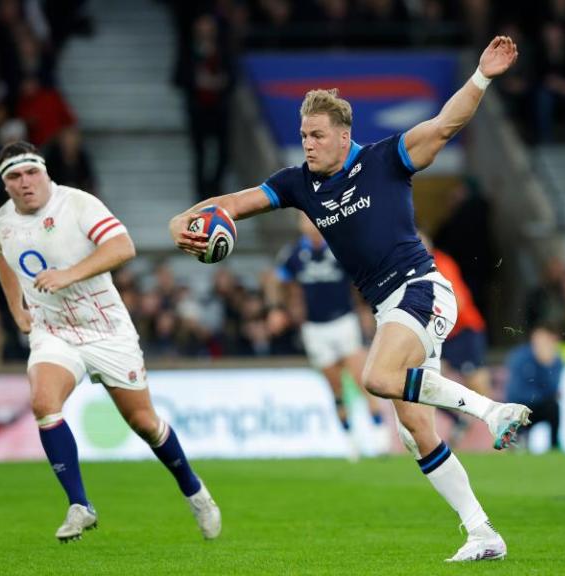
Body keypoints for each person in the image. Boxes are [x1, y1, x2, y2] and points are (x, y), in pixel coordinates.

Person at [169, 36, 531, 562]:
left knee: (376, 378)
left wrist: (481, 77)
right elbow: (234, 202)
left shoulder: (387, 159)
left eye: (316, 135)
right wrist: (185, 218)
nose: (307, 143)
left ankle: (491, 410)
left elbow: (445, 126)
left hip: (422, 289)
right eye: (302, 135)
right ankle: (482, 533)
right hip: (390, 308)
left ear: (344, 136)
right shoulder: (297, 184)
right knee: (414, 429)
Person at [0, 141, 221, 542]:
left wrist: (70, 274)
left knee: (144, 423)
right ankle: (80, 505)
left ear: (45, 172)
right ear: (5, 185)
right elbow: (0, 254)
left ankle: (194, 490)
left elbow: (122, 247)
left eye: (32, 172)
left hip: (106, 329)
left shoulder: (77, 204)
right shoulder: (3, 221)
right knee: (44, 403)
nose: (25, 182)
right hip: (54, 331)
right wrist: (16, 307)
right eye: (14, 176)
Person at [274, 213, 389, 459]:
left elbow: (358, 282)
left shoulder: (340, 247)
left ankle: (380, 433)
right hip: (314, 329)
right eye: (305, 220)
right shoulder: (293, 254)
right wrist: (283, 309)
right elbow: (280, 281)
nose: (309, 225)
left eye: (312, 220)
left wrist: (365, 311)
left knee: (362, 379)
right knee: (335, 387)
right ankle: (350, 439)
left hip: (344, 321)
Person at [419, 232, 491, 445]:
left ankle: (500, 428)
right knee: (425, 382)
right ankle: (459, 419)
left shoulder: (440, 263)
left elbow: (458, 301)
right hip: (442, 334)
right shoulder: (412, 272)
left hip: (463, 330)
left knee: (478, 383)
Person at [504, 324, 562, 451]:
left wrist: (546, 365)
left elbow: (552, 388)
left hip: (538, 407)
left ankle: (554, 446)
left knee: (553, 407)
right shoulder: (520, 356)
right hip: (520, 406)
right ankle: (516, 442)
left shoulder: (554, 359)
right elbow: (515, 390)